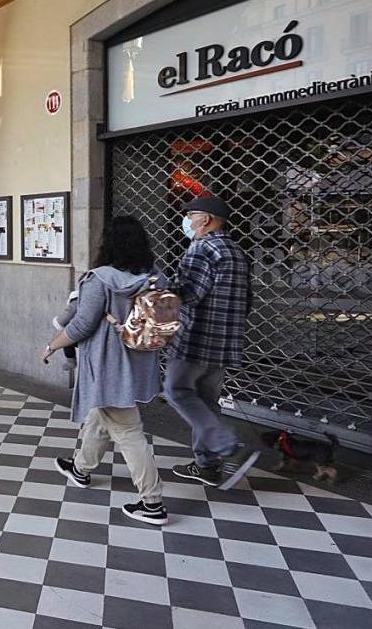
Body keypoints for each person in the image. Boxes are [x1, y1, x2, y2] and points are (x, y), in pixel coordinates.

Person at [43, 216, 167, 525]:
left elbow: (82, 325)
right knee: (102, 415)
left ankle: (152, 503)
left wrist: (52, 345)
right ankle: (81, 468)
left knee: (127, 429)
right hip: (140, 363)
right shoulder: (155, 277)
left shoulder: (100, 279)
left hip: (109, 366)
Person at [165, 196, 259, 489]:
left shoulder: (201, 248)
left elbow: (188, 294)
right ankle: (207, 466)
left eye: (190, 215)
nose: (187, 221)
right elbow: (247, 300)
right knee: (206, 401)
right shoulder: (236, 250)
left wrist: (161, 288)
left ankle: (225, 443)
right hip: (225, 341)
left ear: (205, 219)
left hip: (196, 339)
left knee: (177, 390)